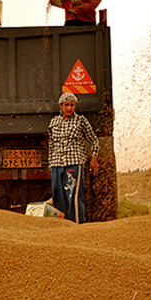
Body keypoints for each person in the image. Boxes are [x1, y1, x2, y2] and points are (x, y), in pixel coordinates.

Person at [48, 92, 99, 223]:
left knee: (73, 198)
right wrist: (51, 164)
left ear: (75, 105)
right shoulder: (54, 122)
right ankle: (62, 227)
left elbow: (94, 140)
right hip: (56, 164)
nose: (69, 108)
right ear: (61, 106)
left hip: (74, 163)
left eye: (72, 105)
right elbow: (52, 144)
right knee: (58, 197)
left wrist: (94, 158)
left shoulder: (81, 121)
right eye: (66, 105)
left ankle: (77, 226)